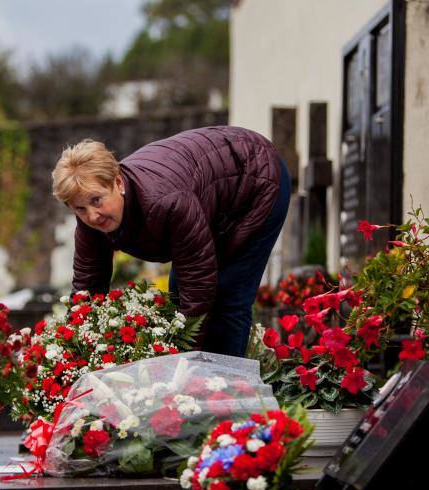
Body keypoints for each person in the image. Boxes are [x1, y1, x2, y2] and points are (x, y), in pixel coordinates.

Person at [51, 126, 291, 357]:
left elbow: (198, 286)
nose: (92, 215)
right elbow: (87, 289)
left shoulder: (167, 203)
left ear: (118, 183)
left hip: (255, 180)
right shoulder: (91, 223)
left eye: (96, 200)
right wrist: (76, 352)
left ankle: (228, 390)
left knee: (228, 297)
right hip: (207, 195)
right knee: (178, 297)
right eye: (80, 208)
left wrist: (182, 364)